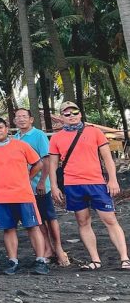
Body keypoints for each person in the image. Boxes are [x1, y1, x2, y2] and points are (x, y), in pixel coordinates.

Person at [47, 101, 129, 271]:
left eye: (74, 112)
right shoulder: (56, 138)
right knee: (83, 222)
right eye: (66, 114)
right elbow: (53, 165)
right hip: (72, 185)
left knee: (110, 219)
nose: (71, 116)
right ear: (61, 118)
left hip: (96, 183)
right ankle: (95, 260)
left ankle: (124, 258)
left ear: (80, 114)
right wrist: (54, 186)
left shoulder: (94, 132)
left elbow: (107, 158)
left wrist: (112, 179)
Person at [0, 117, 50, 275]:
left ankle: (40, 260)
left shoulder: (21, 145)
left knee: (33, 227)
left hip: (24, 195)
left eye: (0, 127)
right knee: (8, 229)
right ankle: (13, 261)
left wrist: (28, 177)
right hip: (1, 197)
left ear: (6, 128)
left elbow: (38, 163)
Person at [14, 108, 69, 266]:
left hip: (39, 185)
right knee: (38, 220)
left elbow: (47, 160)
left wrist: (42, 181)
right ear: (14, 121)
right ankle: (48, 249)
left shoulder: (38, 135)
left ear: (31, 119)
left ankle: (59, 249)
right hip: (25, 188)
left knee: (50, 218)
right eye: (18, 117)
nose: (22, 119)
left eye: (25, 116)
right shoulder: (16, 137)